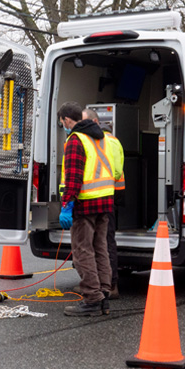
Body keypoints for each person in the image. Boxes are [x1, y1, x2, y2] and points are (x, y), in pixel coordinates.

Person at [58, 101, 115, 316]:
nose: (63, 125)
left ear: (67, 120)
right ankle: (104, 293)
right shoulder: (102, 138)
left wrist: (67, 205)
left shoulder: (75, 139)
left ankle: (92, 297)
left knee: (83, 251)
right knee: (100, 248)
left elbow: (73, 177)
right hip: (105, 201)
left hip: (85, 203)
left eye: (62, 122)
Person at [82, 108, 125, 299]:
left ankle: (111, 284)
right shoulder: (106, 140)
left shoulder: (107, 141)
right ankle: (101, 283)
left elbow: (115, 172)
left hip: (108, 194)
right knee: (100, 240)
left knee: (105, 241)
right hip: (106, 193)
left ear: (96, 122)